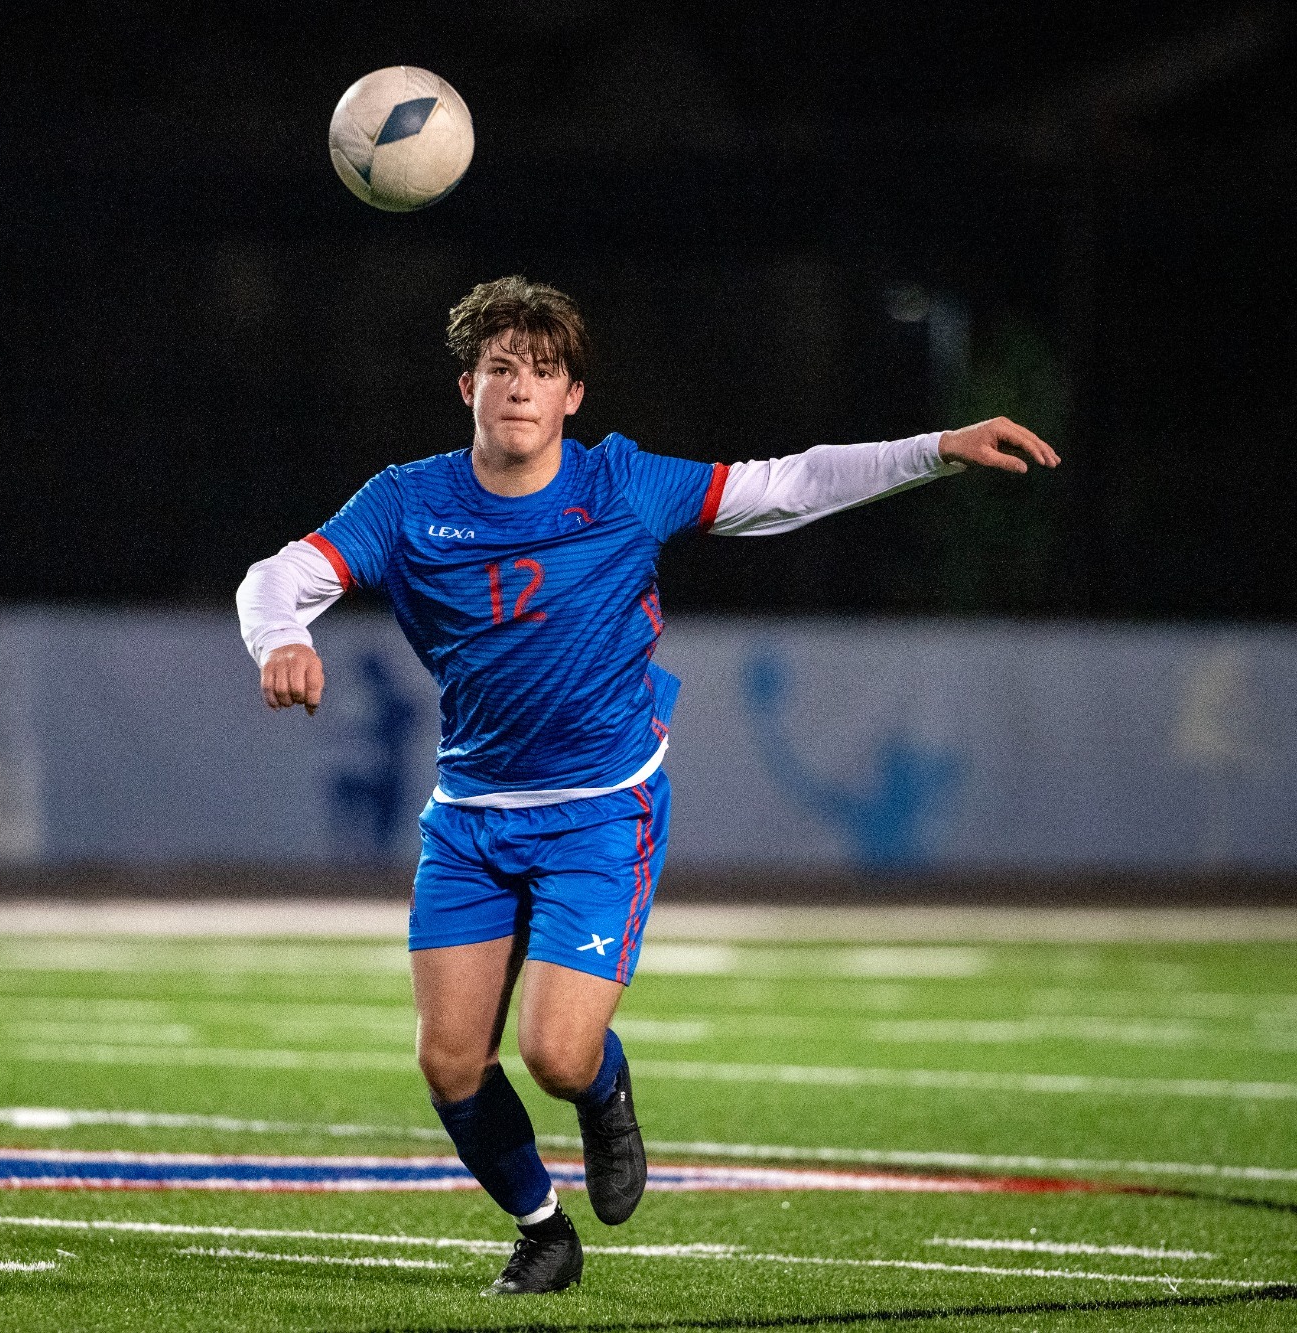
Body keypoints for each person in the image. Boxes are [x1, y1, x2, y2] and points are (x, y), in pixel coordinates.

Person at [234, 276, 1057, 1295]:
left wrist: (931, 448)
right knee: (448, 1063)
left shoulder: (619, 484)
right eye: (499, 369)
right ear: (465, 389)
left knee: (556, 1056)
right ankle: (542, 1226)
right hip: (470, 818)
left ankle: (603, 1090)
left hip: (598, 809)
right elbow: (275, 576)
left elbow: (786, 484)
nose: (519, 388)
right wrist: (279, 637)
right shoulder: (406, 502)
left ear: (572, 397)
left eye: (542, 371)